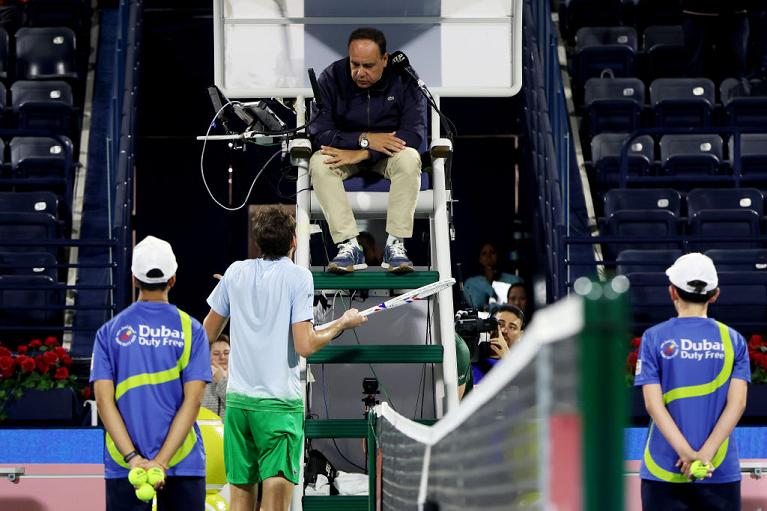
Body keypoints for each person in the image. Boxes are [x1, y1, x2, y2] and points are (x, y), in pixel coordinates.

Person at [203, 207, 366, 511]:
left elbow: (206, 334)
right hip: (277, 410)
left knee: (240, 502)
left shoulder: (235, 272)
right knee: (276, 506)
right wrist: (342, 323)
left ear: (258, 243)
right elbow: (305, 345)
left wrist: (233, 289)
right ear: (293, 241)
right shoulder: (298, 277)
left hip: (239, 407)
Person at [90, 236, 211, 511]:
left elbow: (104, 403)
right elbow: (193, 403)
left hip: (124, 464)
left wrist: (133, 458)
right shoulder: (193, 331)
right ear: (173, 279)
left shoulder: (108, 333)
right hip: (182, 462)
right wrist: (162, 461)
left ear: (134, 279)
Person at [308, 27, 427, 274]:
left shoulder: (404, 78)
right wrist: (365, 140)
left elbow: (414, 134)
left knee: (410, 159)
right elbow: (319, 132)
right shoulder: (331, 78)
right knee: (319, 163)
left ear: (385, 59)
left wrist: (365, 153)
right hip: (344, 154)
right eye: (355, 64)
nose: (360, 73)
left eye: (369, 66)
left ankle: (395, 244)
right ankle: (349, 245)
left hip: (387, 156)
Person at [635, 253, 750, 511]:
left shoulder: (653, 337)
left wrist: (686, 454)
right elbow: (738, 404)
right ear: (715, 294)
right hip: (718, 468)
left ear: (672, 292)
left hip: (663, 467)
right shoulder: (734, 340)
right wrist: (705, 454)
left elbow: (653, 405)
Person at [471, 304, 525, 385]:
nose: (504, 330)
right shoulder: (472, 356)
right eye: (500, 324)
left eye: (512, 327)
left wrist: (507, 357)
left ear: (521, 334)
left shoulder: (524, 365)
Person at [463, 243, 523, 311]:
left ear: (498, 256)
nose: (488, 256)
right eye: (484, 253)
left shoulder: (513, 279)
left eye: (492, 252)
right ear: (479, 259)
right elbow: (475, 305)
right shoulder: (471, 283)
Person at [202, 333, 230, 418]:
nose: (222, 357)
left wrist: (221, 380)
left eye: (226, 353)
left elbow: (236, 407)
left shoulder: (239, 380)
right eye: (216, 354)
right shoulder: (200, 382)